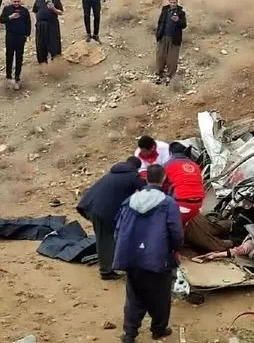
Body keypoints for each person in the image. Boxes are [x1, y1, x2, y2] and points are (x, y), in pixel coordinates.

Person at [113, 164, 183, 343]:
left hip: (131, 257)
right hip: (158, 258)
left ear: (146, 179)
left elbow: (117, 230)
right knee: (160, 297)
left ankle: (129, 335)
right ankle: (158, 329)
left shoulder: (129, 201)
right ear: (163, 178)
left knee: (134, 297)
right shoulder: (168, 203)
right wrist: (175, 249)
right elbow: (176, 232)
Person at [76, 156, 146, 280]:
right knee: (106, 240)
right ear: (137, 168)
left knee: (109, 236)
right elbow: (147, 191)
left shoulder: (112, 173)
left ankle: (111, 262)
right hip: (102, 212)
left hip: (89, 206)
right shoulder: (133, 176)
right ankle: (106, 271)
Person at [164, 141, 204, 226]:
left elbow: (162, 187)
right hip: (198, 204)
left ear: (170, 153)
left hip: (181, 203)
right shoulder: (195, 166)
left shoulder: (167, 165)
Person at [0, 0, 31, 90]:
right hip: (10, 36)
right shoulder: (7, 9)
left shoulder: (24, 10)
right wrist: (10, 17)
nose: (16, 3)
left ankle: (17, 78)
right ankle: (8, 77)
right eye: (14, 1)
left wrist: (28, 35)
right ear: (11, 1)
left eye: (18, 1)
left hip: (21, 37)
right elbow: (1, 20)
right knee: (9, 56)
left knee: (19, 57)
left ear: (20, 1)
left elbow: (28, 23)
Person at [154, 0, 187, 85]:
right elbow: (160, 22)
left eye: (174, 2)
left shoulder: (181, 12)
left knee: (172, 59)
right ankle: (158, 75)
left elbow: (184, 25)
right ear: (169, 1)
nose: (173, 4)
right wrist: (158, 34)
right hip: (163, 37)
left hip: (174, 39)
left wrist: (178, 21)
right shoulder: (165, 10)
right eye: (171, 2)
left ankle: (169, 76)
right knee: (160, 56)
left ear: (177, 2)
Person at [32, 0, 63, 64]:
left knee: (54, 44)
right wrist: (36, 22)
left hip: (52, 25)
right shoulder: (38, 0)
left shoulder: (56, 0)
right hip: (41, 26)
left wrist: (53, 8)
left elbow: (61, 12)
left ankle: (56, 64)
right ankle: (43, 64)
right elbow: (35, 11)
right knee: (40, 44)